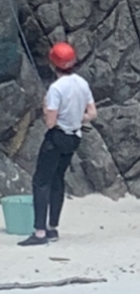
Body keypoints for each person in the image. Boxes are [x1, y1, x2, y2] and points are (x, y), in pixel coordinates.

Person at [19, 42, 96, 246]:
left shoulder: (56, 88)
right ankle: (52, 227)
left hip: (57, 137)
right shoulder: (82, 83)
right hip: (74, 137)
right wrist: (76, 117)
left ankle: (40, 232)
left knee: (41, 181)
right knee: (57, 179)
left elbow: (50, 123)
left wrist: (47, 108)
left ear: (53, 64)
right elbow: (92, 113)